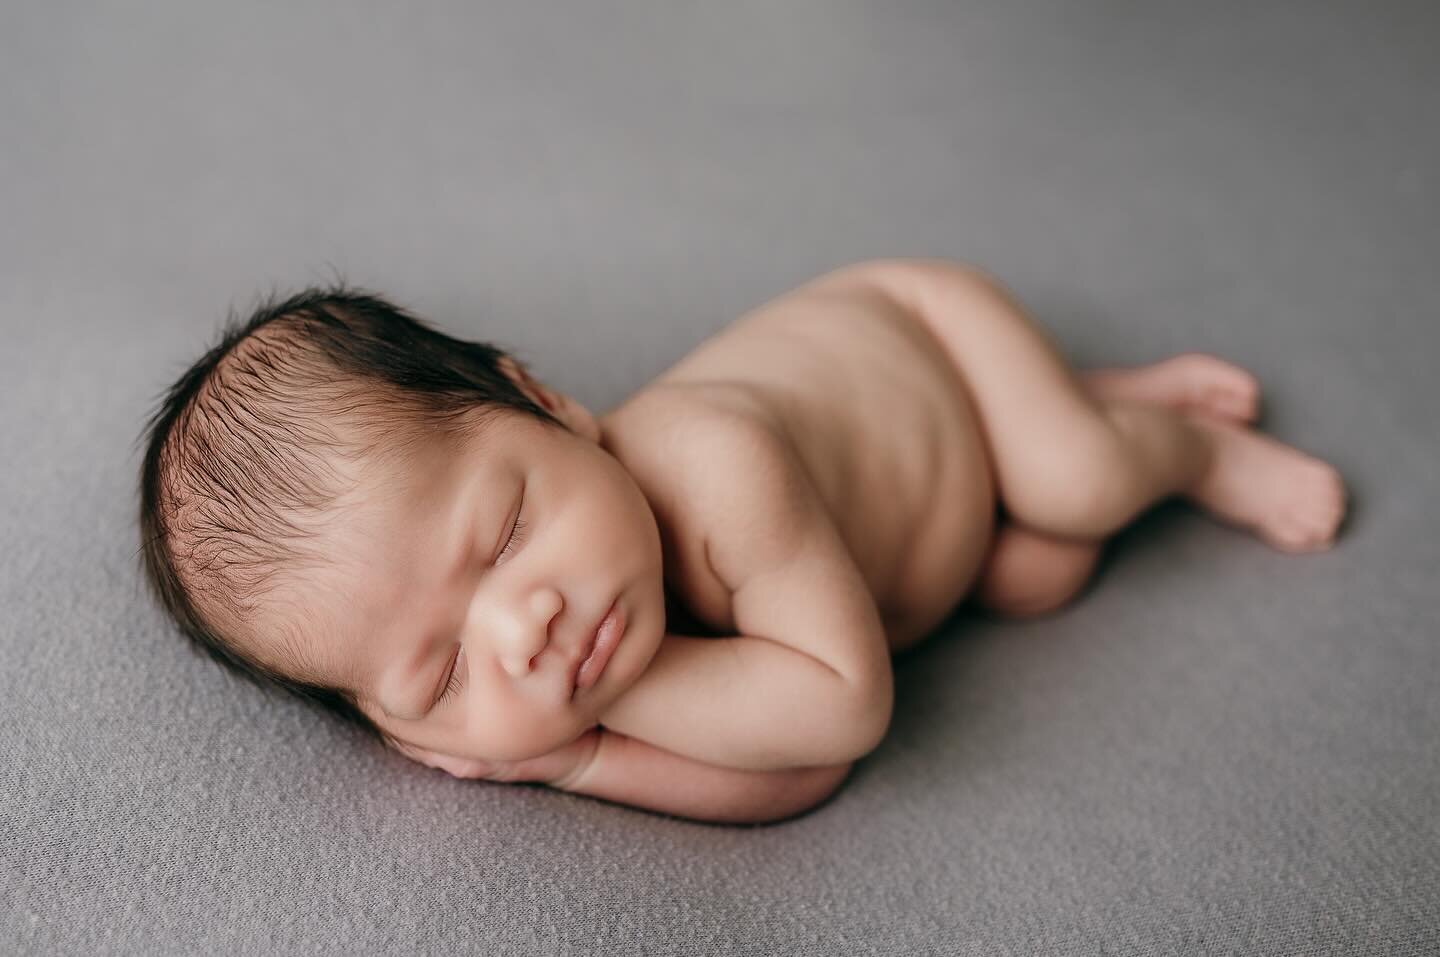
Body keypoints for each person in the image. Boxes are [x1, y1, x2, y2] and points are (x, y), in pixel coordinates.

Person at [136, 258, 1347, 823]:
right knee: (1037, 575)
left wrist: (589, 717)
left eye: (503, 533)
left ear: (548, 402)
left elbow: (841, 713)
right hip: (926, 520)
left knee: (1076, 485)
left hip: (925, 338)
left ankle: (1181, 446)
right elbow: (799, 776)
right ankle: (1083, 406)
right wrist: (575, 757)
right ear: (397, 729)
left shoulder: (714, 462)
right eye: (439, 673)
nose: (524, 630)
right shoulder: (577, 667)